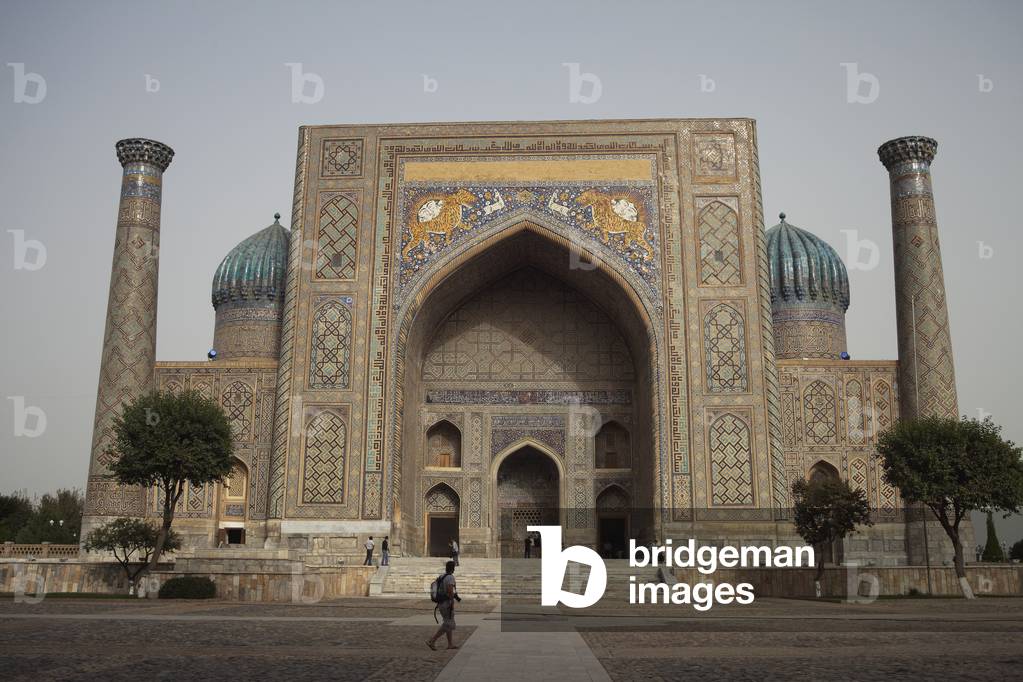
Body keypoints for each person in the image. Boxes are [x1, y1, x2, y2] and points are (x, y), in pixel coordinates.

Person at [427, 560, 460, 650]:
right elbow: (450, 590)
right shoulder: (450, 578)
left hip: (441, 603)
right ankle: (432, 640)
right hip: (446, 603)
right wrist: (452, 602)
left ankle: (450, 644)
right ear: (452, 569)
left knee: (447, 622)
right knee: (449, 624)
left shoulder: (442, 576)